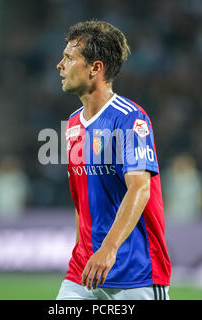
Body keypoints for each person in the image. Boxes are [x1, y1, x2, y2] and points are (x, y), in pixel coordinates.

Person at [55, 20, 171, 300]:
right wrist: (82, 251)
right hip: (84, 271)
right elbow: (81, 201)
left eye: (69, 58)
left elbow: (139, 188)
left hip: (135, 271)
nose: (60, 65)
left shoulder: (130, 118)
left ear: (96, 68)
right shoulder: (71, 125)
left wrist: (107, 249)